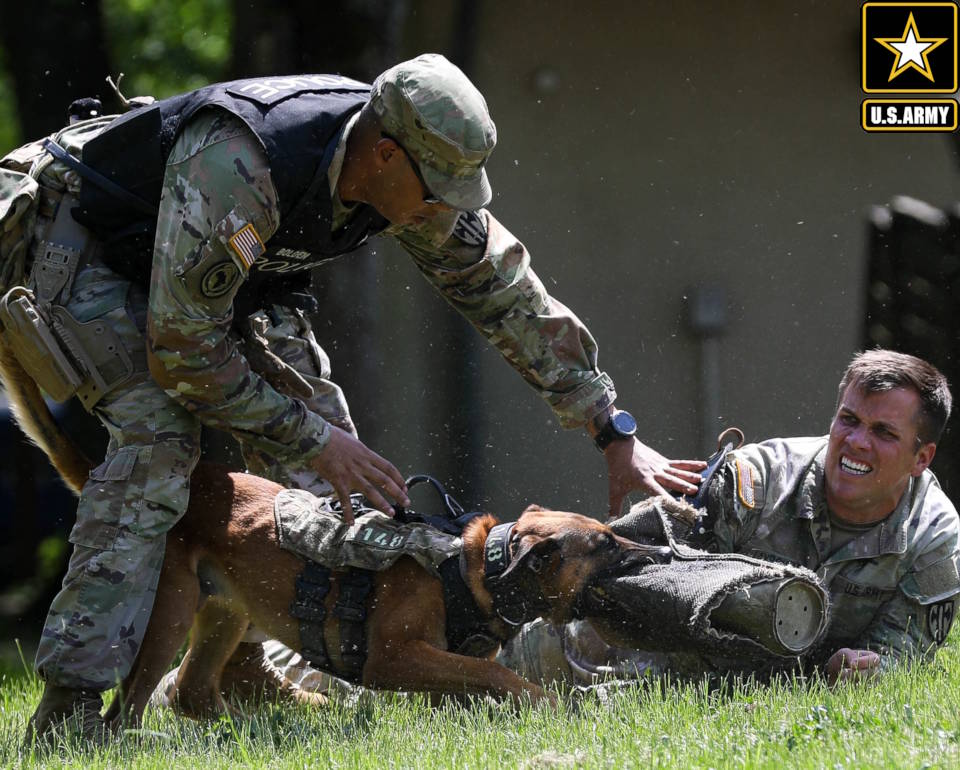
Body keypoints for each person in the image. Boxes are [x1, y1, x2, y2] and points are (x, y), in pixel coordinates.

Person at [0, 54, 703, 740]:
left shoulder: (414, 171)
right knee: (159, 445)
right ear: (385, 157)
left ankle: (238, 672)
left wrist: (611, 429)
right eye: (435, 189)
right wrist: (310, 437)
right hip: (77, 251)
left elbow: (502, 289)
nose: (442, 209)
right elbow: (183, 351)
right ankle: (73, 706)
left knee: (336, 491)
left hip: (210, 278)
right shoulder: (241, 164)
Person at [498, 349, 960, 686]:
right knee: (477, 677)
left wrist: (868, 668)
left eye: (883, 432)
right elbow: (632, 570)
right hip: (600, 651)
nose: (856, 442)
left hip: (745, 687)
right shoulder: (755, 483)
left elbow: (904, 654)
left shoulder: (933, 537)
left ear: (922, 457)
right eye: (849, 420)